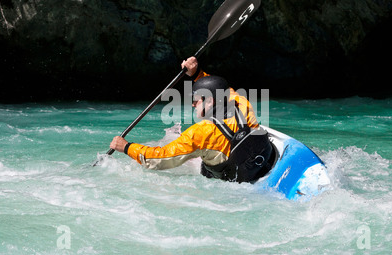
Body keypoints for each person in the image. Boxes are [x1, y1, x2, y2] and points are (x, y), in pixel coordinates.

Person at [110, 57, 274, 183]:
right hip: (262, 158)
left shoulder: (201, 132)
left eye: (197, 99)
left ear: (210, 101)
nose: (193, 103)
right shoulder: (241, 102)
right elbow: (220, 87)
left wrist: (126, 147)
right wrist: (196, 73)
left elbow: (159, 159)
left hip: (229, 178)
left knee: (177, 152)